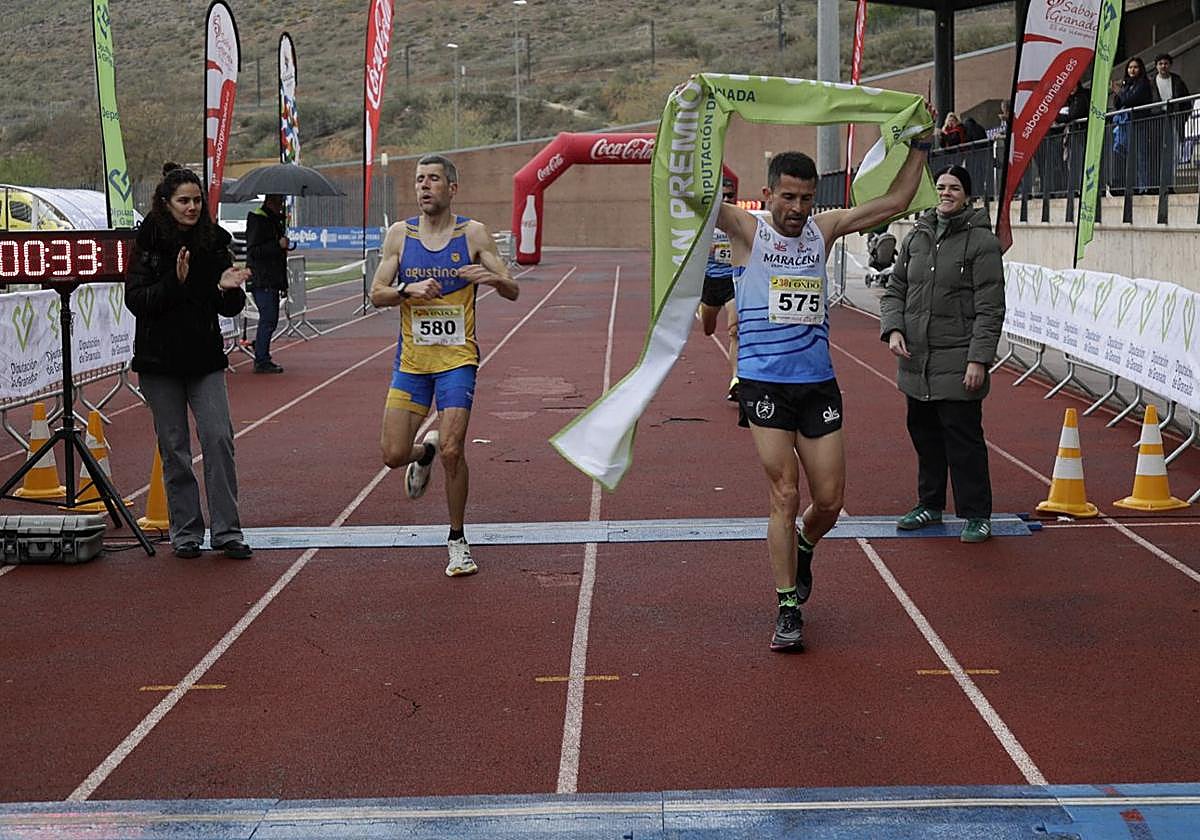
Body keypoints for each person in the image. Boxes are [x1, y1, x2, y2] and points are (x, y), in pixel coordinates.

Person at [717, 131, 933, 652]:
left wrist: (921, 147)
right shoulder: (749, 231)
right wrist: (688, 124)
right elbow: (690, 195)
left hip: (817, 384)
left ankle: (805, 546)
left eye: (806, 198)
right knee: (785, 493)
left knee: (831, 501)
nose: (797, 208)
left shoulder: (824, 230)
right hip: (765, 382)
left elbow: (896, 202)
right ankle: (787, 606)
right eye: (787, 197)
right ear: (768, 195)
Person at [369, 154, 519, 577]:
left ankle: (457, 540)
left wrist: (492, 279)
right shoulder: (400, 235)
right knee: (393, 455)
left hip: (457, 361)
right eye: (419, 180)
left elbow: (513, 289)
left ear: (452, 188)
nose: (425, 186)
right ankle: (424, 452)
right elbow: (376, 294)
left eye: (433, 179)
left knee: (456, 450)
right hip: (412, 362)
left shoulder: (473, 234)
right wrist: (406, 289)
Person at [124, 162, 253, 560]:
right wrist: (174, 284)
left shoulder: (214, 242)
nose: (192, 207)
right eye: (184, 201)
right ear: (166, 203)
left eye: (197, 200)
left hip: (204, 358)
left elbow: (225, 305)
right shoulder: (147, 242)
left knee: (218, 439)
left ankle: (227, 530)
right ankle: (185, 532)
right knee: (174, 447)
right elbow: (137, 301)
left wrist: (230, 290)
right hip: (159, 360)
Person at [879, 165, 1005, 545]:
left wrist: (978, 359)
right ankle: (929, 503)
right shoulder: (917, 236)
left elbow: (990, 307)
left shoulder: (982, 242)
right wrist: (894, 328)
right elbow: (895, 288)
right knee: (925, 437)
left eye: (954, 188)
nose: (946, 193)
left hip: (957, 359)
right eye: (941, 187)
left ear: (967, 194)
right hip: (917, 361)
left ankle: (976, 514)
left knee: (963, 440)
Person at [699, 176, 740, 402]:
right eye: (721, 196)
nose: (726, 199)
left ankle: (736, 379)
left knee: (735, 331)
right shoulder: (704, 221)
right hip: (709, 283)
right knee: (708, 328)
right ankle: (702, 311)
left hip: (732, 281)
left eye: (729, 196)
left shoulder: (739, 220)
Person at [244, 193, 291, 374]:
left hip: (271, 277)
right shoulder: (258, 220)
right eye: (279, 202)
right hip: (262, 278)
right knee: (268, 318)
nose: (281, 206)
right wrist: (277, 245)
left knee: (270, 319)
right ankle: (261, 359)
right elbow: (254, 251)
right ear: (271, 201)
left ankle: (261, 347)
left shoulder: (274, 221)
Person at [1111, 57, 1153, 194]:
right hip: (1126, 123)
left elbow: (1131, 100)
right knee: (1125, 155)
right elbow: (1118, 104)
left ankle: (1144, 186)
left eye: (1135, 67)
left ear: (1140, 69)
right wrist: (1117, 94)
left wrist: (1121, 93)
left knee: (1141, 155)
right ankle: (1130, 185)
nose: (1132, 70)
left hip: (1139, 122)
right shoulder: (1126, 84)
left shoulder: (1143, 83)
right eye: (1130, 68)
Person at [1150, 53, 1190, 189]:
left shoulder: (1177, 80)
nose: (1163, 66)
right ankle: (1158, 184)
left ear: (1170, 65)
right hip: (1158, 119)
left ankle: (1170, 184)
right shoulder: (1151, 82)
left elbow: (1186, 100)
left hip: (1174, 118)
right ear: (1156, 66)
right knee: (1157, 153)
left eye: (1166, 63)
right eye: (1160, 64)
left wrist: (1183, 117)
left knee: (1174, 152)